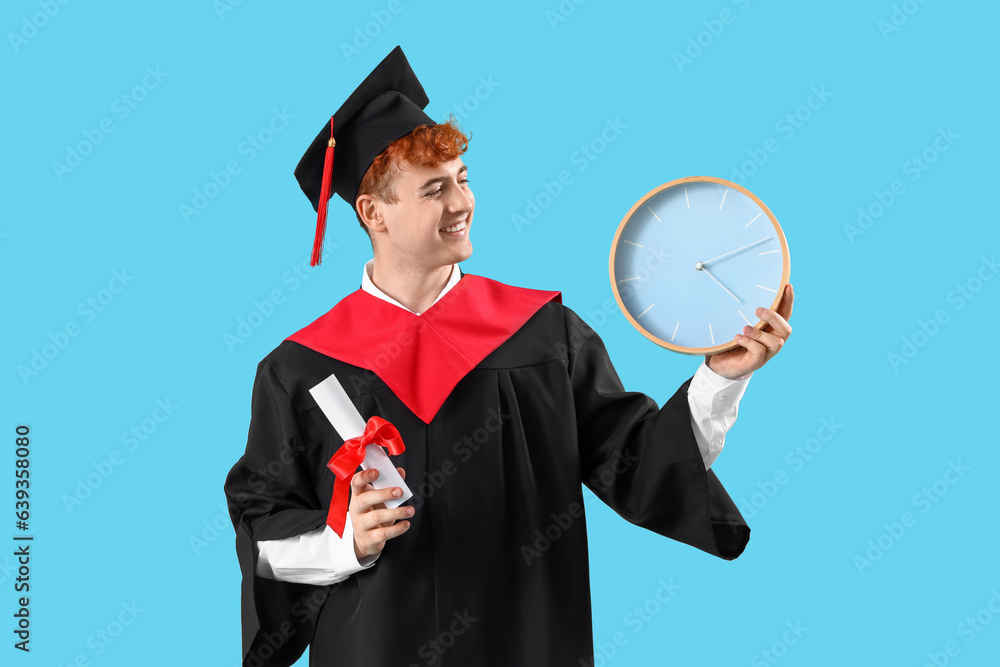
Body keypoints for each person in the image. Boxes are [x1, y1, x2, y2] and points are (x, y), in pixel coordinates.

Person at [224, 45, 793, 667]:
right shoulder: (304, 367)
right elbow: (263, 534)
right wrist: (344, 542)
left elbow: (641, 466)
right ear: (373, 213)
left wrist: (720, 378)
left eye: (464, 180)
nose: (462, 203)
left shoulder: (542, 335)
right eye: (435, 189)